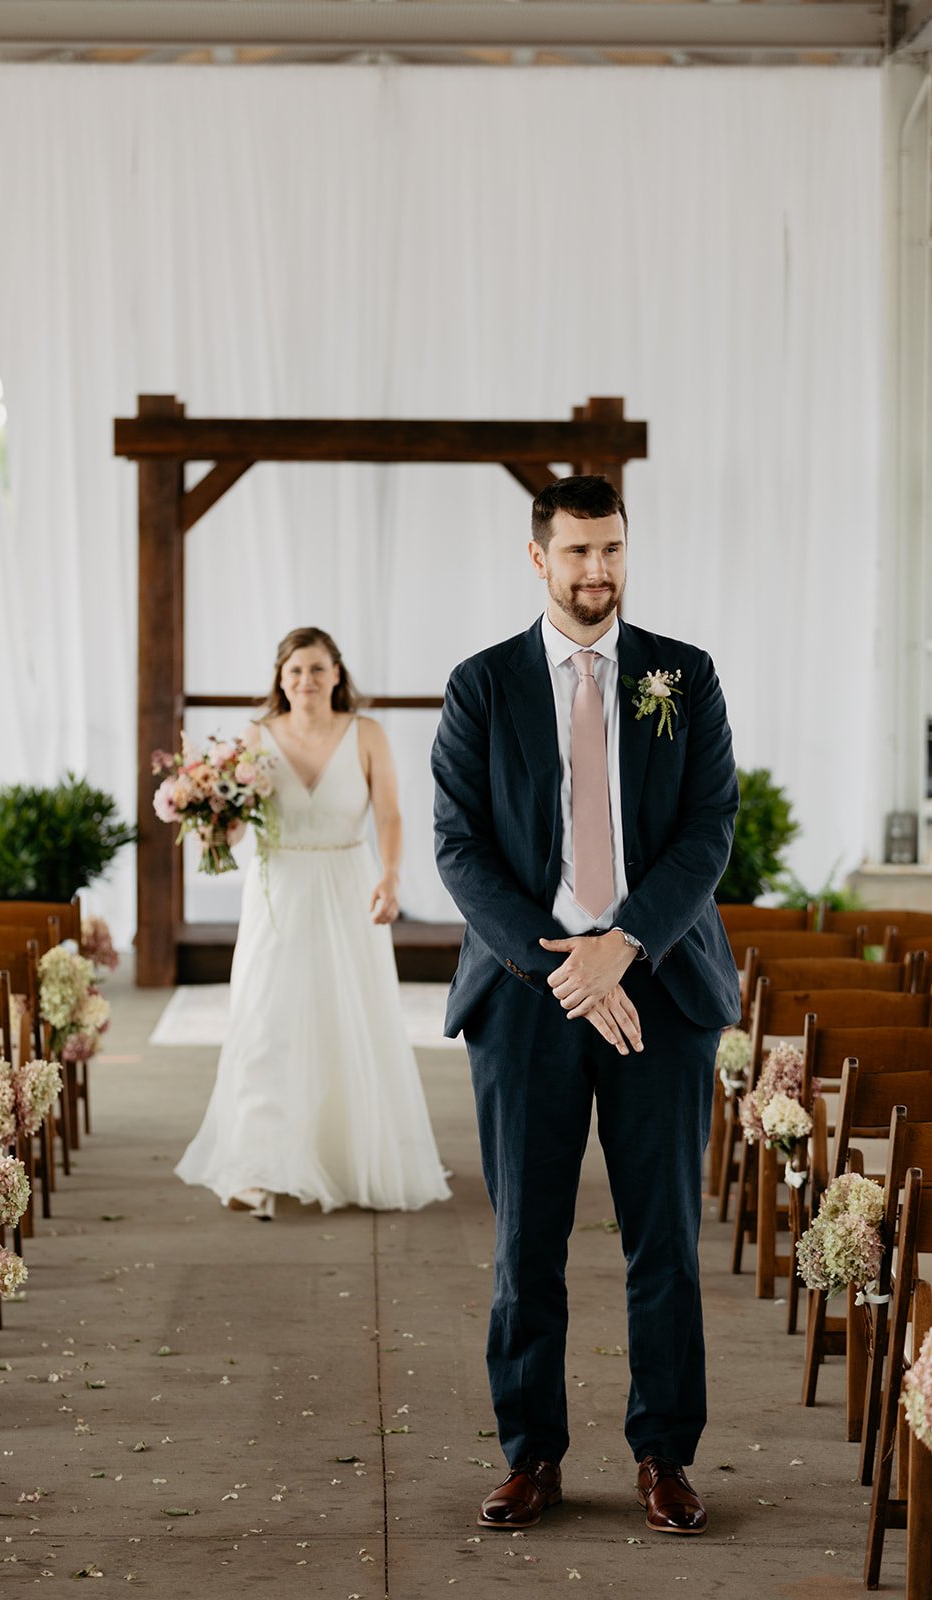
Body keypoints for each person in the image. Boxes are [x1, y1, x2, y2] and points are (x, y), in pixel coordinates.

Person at [430, 476, 739, 1536]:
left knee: (663, 1239)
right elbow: (457, 847)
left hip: (659, 987)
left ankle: (663, 1455)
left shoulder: (681, 676)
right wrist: (561, 964)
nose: (596, 571)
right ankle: (531, 1455)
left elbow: (707, 830)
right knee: (526, 1239)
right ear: (536, 557)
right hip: (525, 996)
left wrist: (622, 947)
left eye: (610, 550)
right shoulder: (479, 685)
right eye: (576, 553)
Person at [176, 626, 451, 1220]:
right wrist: (207, 817)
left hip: (346, 885)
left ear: (337, 674)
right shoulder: (256, 738)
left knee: (346, 1015)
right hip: (276, 890)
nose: (307, 680)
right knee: (265, 1019)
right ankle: (256, 1165)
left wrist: (391, 877)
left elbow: (391, 815)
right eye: (296, 669)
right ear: (280, 677)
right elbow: (235, 827)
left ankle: (347, 1155)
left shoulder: (367, 734)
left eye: (318, 668)